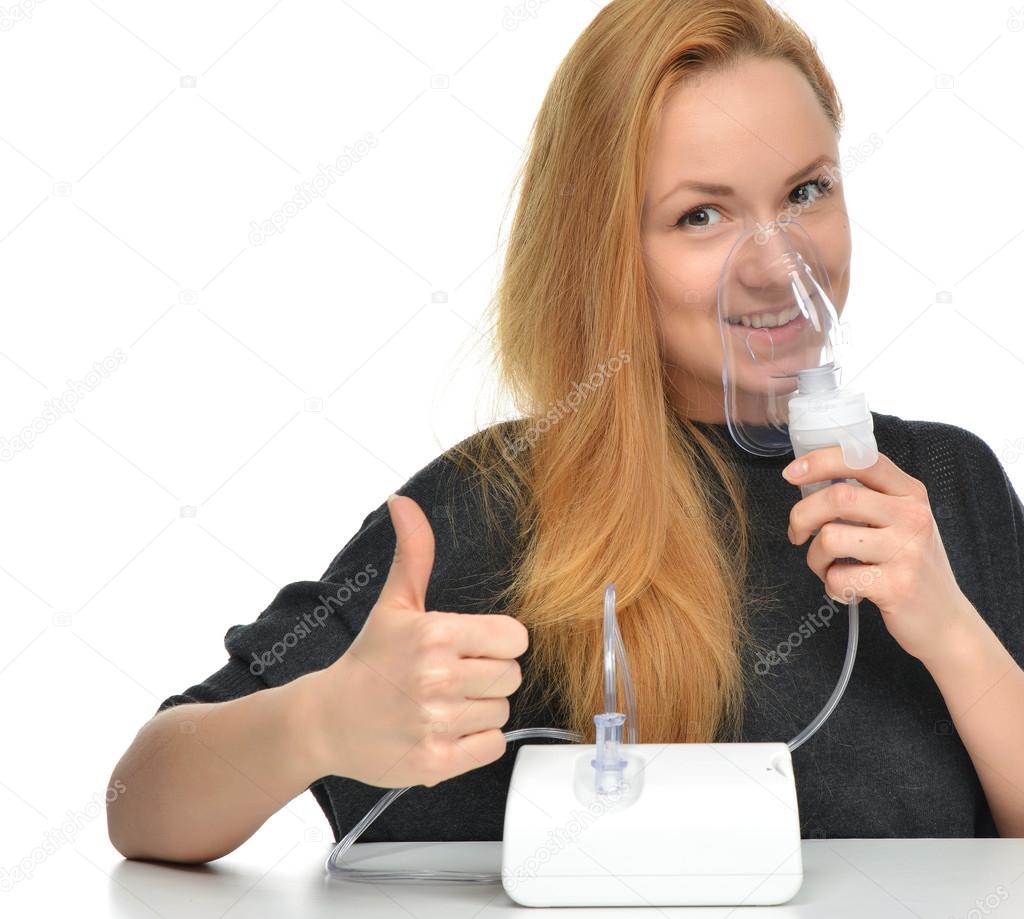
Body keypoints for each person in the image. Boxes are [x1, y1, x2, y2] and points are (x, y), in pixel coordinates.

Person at [106, 0, 1024, 863]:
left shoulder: (945, 485)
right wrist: (318, 724)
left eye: (806, 191)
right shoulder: (488, 508)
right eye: (701, 215)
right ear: (604, 249)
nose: (780, 264)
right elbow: (139, 804)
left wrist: (950, 630)